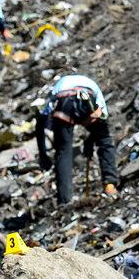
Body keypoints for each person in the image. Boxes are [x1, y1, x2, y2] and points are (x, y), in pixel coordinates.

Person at [35, 74, 119, 204]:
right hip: (87, 98)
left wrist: (43, 154)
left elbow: (42, 119)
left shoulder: (57, 89)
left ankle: (65, 200)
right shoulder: (93, 87)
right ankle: (110, 186)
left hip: (64, 102)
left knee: (63, 151)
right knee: (105, 141)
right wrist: (92, 138)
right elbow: (101, 119)